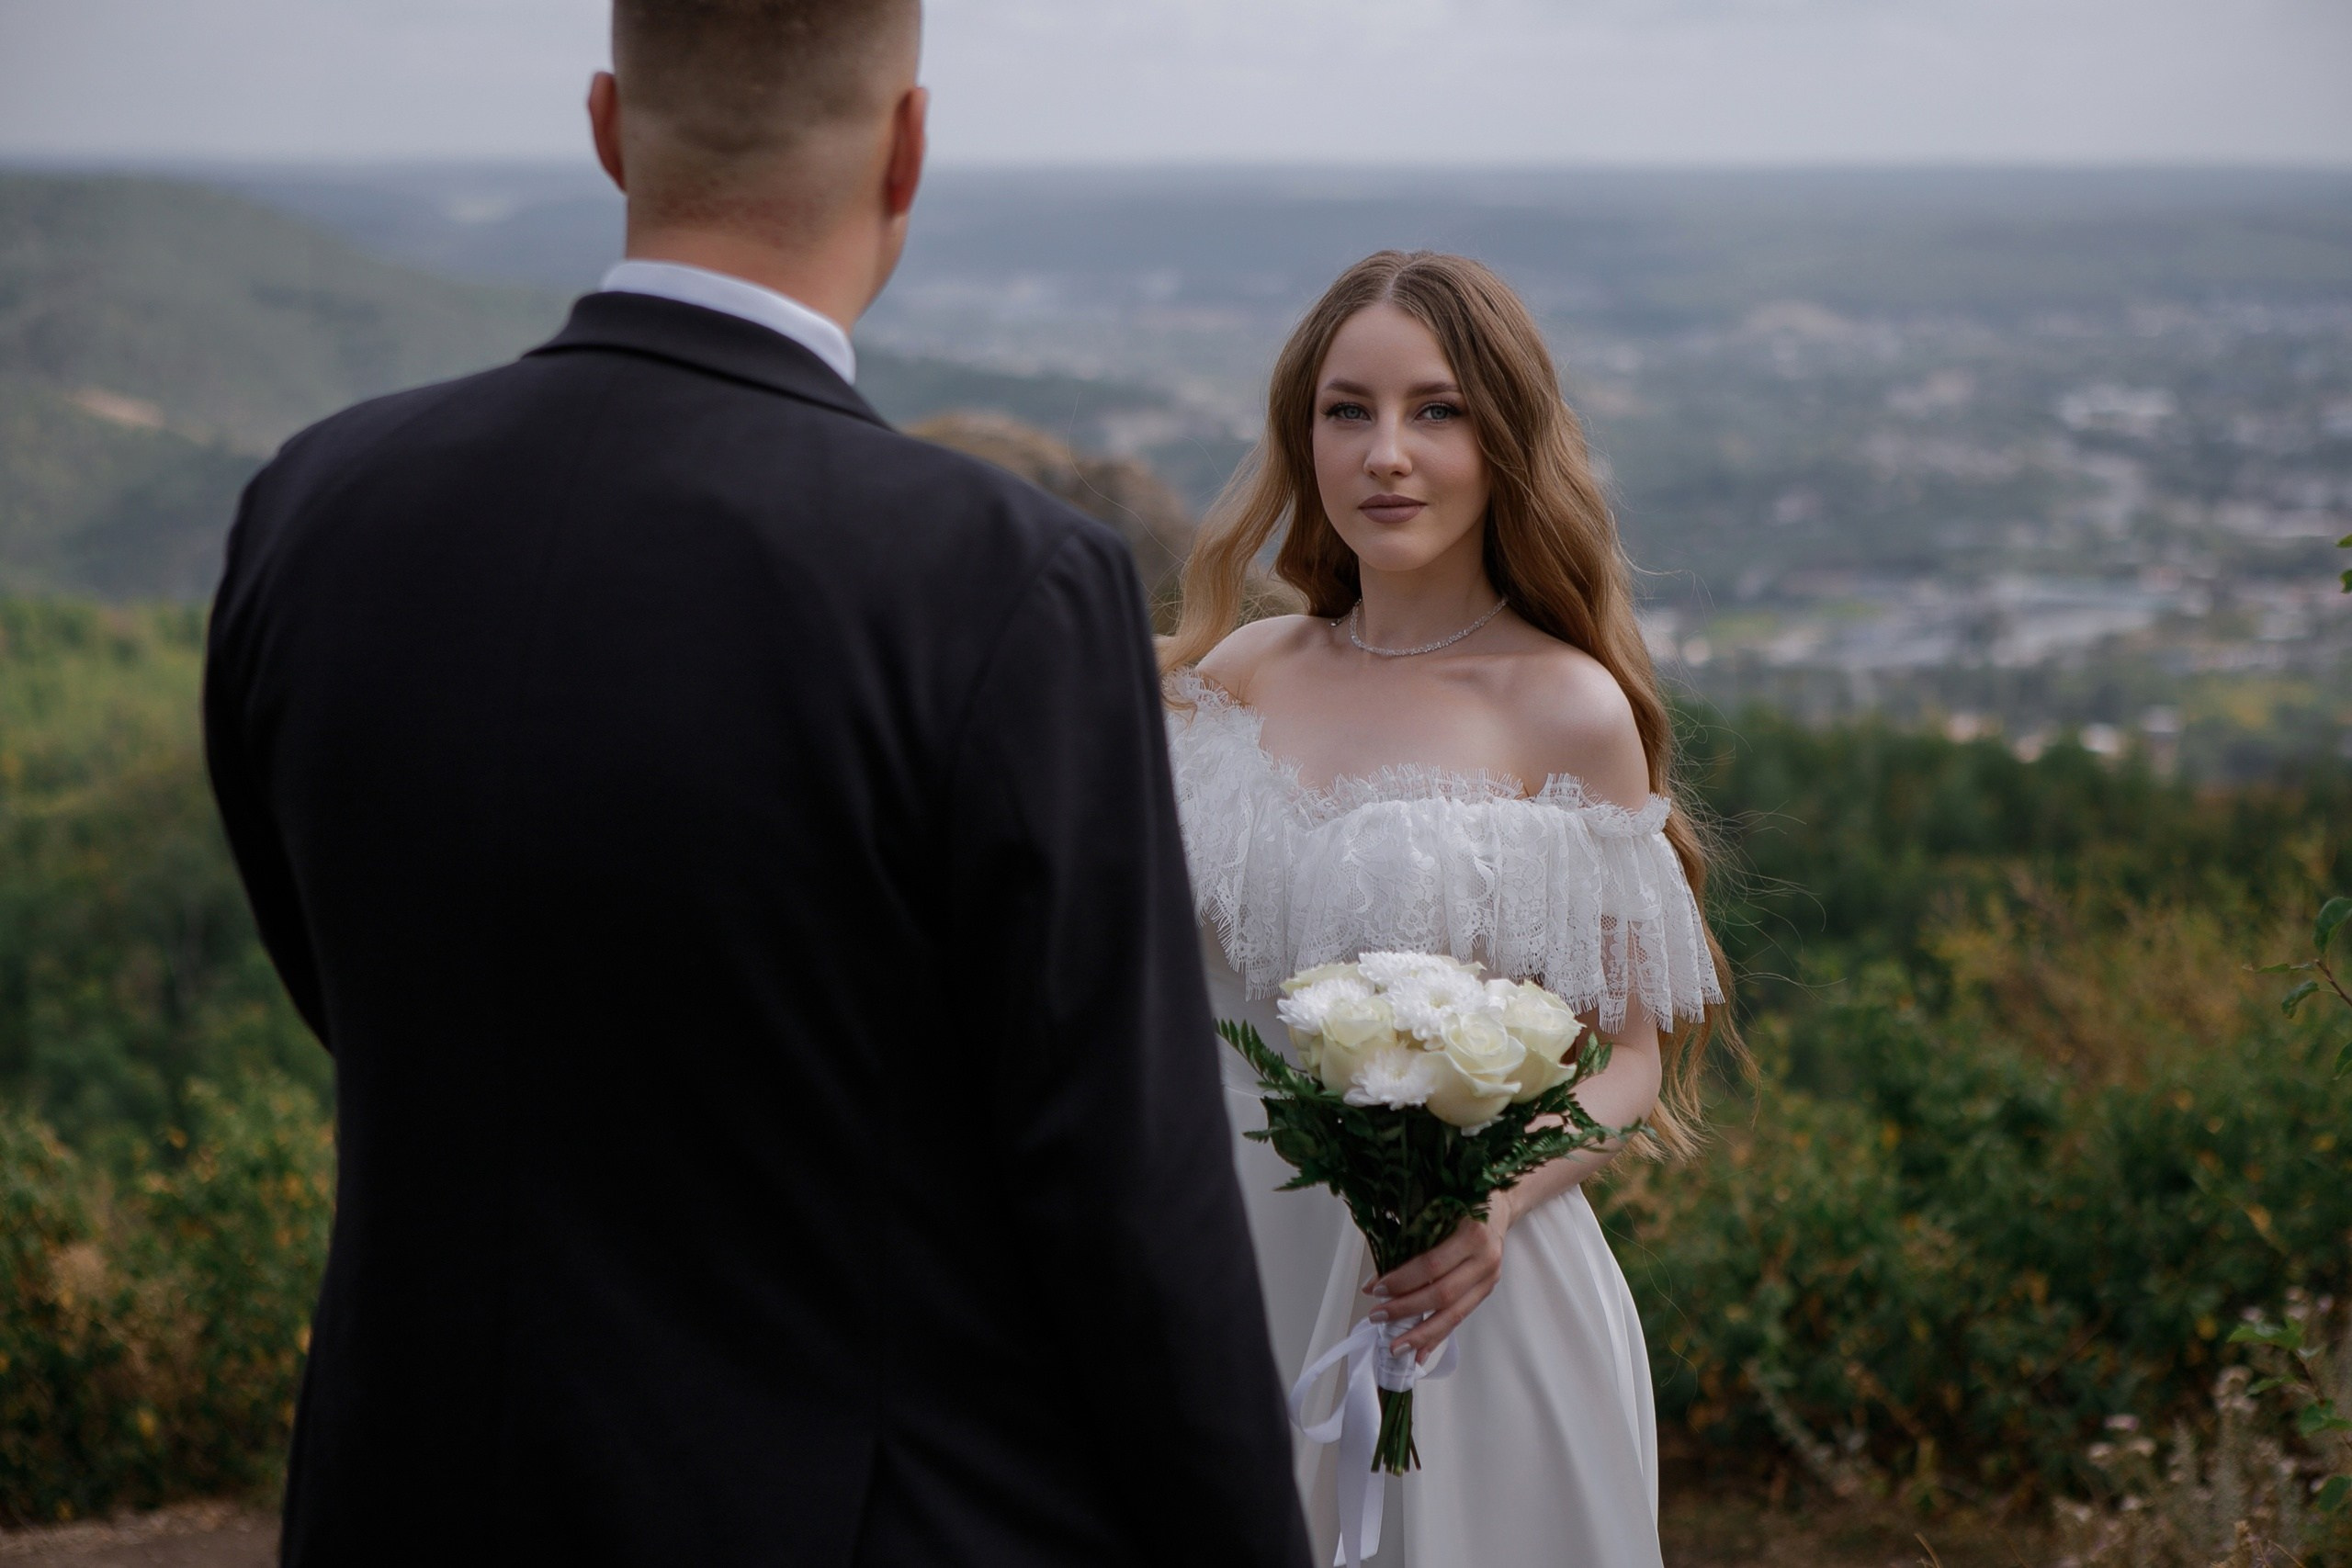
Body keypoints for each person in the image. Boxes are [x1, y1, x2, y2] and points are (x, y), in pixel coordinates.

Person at [202, 4, 1311, 1564]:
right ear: (908, 145)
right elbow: (1129, 1199)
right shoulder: (998, 579)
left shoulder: (313, 506)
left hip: (408, 1497)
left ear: (605, 126)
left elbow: (340, 975)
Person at [1161, 250, 1738, 1565]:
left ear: (1505, 438)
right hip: (1224, 1275)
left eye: (1438, 411)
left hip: (1453, 1301)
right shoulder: (1237, 676)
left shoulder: (1565, 710)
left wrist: (1492, 1209)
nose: (1387, 456)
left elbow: (1630, 1055)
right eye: (1346, 411)